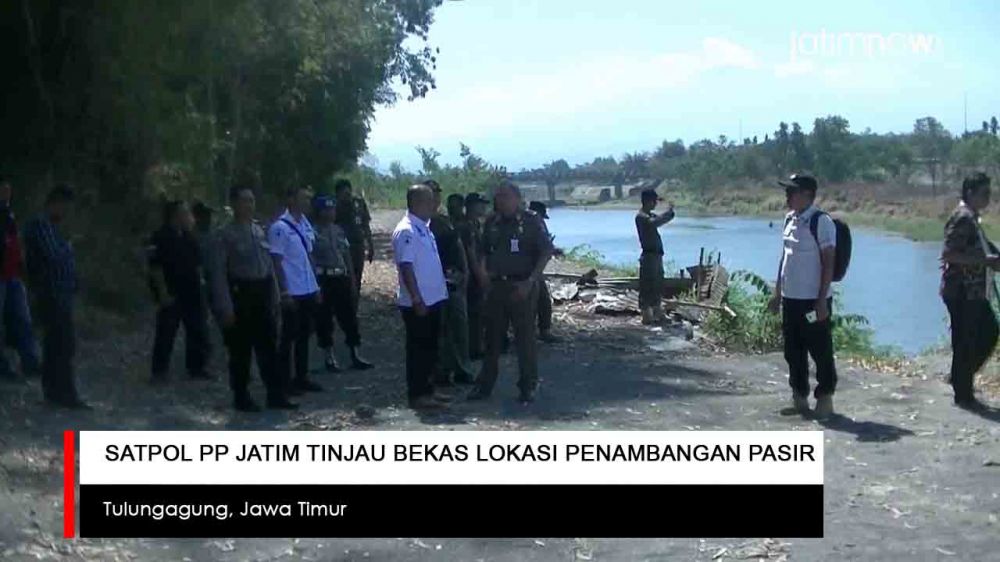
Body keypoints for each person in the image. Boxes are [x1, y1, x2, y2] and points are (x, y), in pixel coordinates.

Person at [207, 185, 297, 412]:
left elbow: (269, 267)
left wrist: (276, 295)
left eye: (251, 201)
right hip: (240, 294)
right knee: (241, 349)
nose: (249, 205)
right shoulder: (225, 235)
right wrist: (225, 307)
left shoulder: (259, 230)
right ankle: (241, 395)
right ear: (234, 204)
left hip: (262, 293)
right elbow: (218, 274)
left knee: (268, 346)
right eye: (244, 201)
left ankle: (275, 394)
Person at [468, 181, 553, 404]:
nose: (500, 201)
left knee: (525, 339)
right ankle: (484, 385)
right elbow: (481, 250)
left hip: (522, 286)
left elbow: (546, 251)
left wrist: (531, 281)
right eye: (498, 197)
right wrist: (482, 274)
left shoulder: (531, 221)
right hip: (496, 286)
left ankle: (528, 386)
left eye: (505, 196)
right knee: (492, 338)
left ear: (517, 198)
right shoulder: (491, 222)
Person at [767, 174, 838, 418]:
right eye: (787, 192)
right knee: (793, 351)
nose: (787, 196)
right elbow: (785, 258)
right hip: (791, 299)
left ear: (807, 195)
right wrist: (778, 292)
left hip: (812, 301)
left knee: (820, 349)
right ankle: (799, 398)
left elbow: (829, 262)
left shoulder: (821, 222)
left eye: (792, 192)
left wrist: (821, 300)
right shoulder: (789, 219)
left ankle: (825, 398)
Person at [23, 184, 87, 408]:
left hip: (59, 292)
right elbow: (53, 256)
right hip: (51, 292)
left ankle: (55, 393)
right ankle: (64, 394)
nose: (66, 213)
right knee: (62, 344)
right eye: (65, 207)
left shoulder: (51, 226)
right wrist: (69, 245)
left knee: (58, 344)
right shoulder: (40, 225)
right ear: (56, 203)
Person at [940, 172, 998, 410]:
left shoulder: (972, 218)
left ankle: (961, 379)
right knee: (968, 340)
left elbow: (980, 248)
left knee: (985, 333)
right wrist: (985, 261)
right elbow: (949, 254)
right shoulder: (963, 218)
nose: (988, 197)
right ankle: (962, 392)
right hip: (961, 291)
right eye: (984, 193)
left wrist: (992, 258)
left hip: (973, 291)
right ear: (970, 192)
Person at [391, 184, 451, 410]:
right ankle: (417, 394)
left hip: (433, 299)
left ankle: (429, 389)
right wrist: (416, 298)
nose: (435, 205)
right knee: (418, 350)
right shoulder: (406, 231)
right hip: (419, 302)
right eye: (429, 201)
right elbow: (406, 267)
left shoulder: (424, 228)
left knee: (431, 348)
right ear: (416, 203)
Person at [148, 200, 210, 382]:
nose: (190, 217)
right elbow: (155, 267)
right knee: (166, 332)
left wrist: (202, 284)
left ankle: (196, 367)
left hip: (192, 291)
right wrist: (162, 292)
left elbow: (198, 264)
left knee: (197, 330)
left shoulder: (189, 237)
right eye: (186, 213)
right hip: (172, 291)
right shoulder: (160, 237)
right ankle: (159, 371)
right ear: (176, 215)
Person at [268, 186, 323, 395]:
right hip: (292, 291)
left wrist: (316, 286)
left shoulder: (305, 224)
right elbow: (276, 261)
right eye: (303, 198)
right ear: (291, 200)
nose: (307, 202)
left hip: (307, 288)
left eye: (308, 199)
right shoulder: (280, 228)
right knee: (288, 337)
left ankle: (302, 376)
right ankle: (284, 380)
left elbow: (308, 257)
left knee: (304, 335)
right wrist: (283, 291)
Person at [311, 195, 373, 372]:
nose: (331, 213)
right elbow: (310, 258)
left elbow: (346, 254)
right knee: (324, 319)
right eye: (326, 210)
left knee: (349, 317)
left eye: (332, 209)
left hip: (341, 277)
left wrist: (352, 279)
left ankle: (355, 353)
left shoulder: (338, 231)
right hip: (323, 278)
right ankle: (329, 356)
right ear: (319, 212)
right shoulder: (312, 232)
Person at [426, 182, 474, 386]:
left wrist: (466, 271)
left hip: (453, 279)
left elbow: (459, 246)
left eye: (437, 194)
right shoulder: (419, 224)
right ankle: (441, 372)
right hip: (433, 281)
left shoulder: (445, 222)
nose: (436, 198)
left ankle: (462, 369)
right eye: (432, 194)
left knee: (460, 327)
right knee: (438, 329)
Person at [0, 175, 40, 379]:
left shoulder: (8, 214)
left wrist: (21, 266)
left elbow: (14, 243)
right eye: (3, 190)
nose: (6, 193)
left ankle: (30, 362)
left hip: (12, 275)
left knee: (23, 319)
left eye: (8, 190)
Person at [635, 188, 674, 324]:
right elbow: (656, 222)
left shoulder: (648, 216)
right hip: (649, 255)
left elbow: (659, 219)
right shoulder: (641, 217)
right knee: (647, 285)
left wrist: (669, 213)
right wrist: (668, 212)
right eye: (654, 201)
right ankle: (646, 314)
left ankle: (657, 311)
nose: (655, 204)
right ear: (647, 201)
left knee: (657, 284)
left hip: (656, 255)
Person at [459, 192, 489, 360]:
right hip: (470, 274)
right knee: (473, 311)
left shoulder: (476, 224)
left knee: (479, 310)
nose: (483, 207)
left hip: (478, 271)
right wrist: (480, 274)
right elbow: (470, 253)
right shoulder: (466, 226)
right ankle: (473, 347)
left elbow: (481, 251)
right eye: (480, 204)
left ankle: (478, 344)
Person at [333, 179, 374, 296]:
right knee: (343, 279)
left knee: (357, 277)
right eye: (344, 193)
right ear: (338, 194)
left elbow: (365, 225)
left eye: (348, 192)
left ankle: (354, 303)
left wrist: (370, 246)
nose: (347, 196)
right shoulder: (334, 206)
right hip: (341, 249)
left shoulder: (358, 203)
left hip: (357, 246)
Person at [528, 201, 559, 343]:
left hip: (535, 268)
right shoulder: (530, 224)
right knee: (541, 300)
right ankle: (540, 331)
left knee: (541, 300)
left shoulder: (535, 224)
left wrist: (553, 250)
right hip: (531, 269)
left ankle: (540, 330)